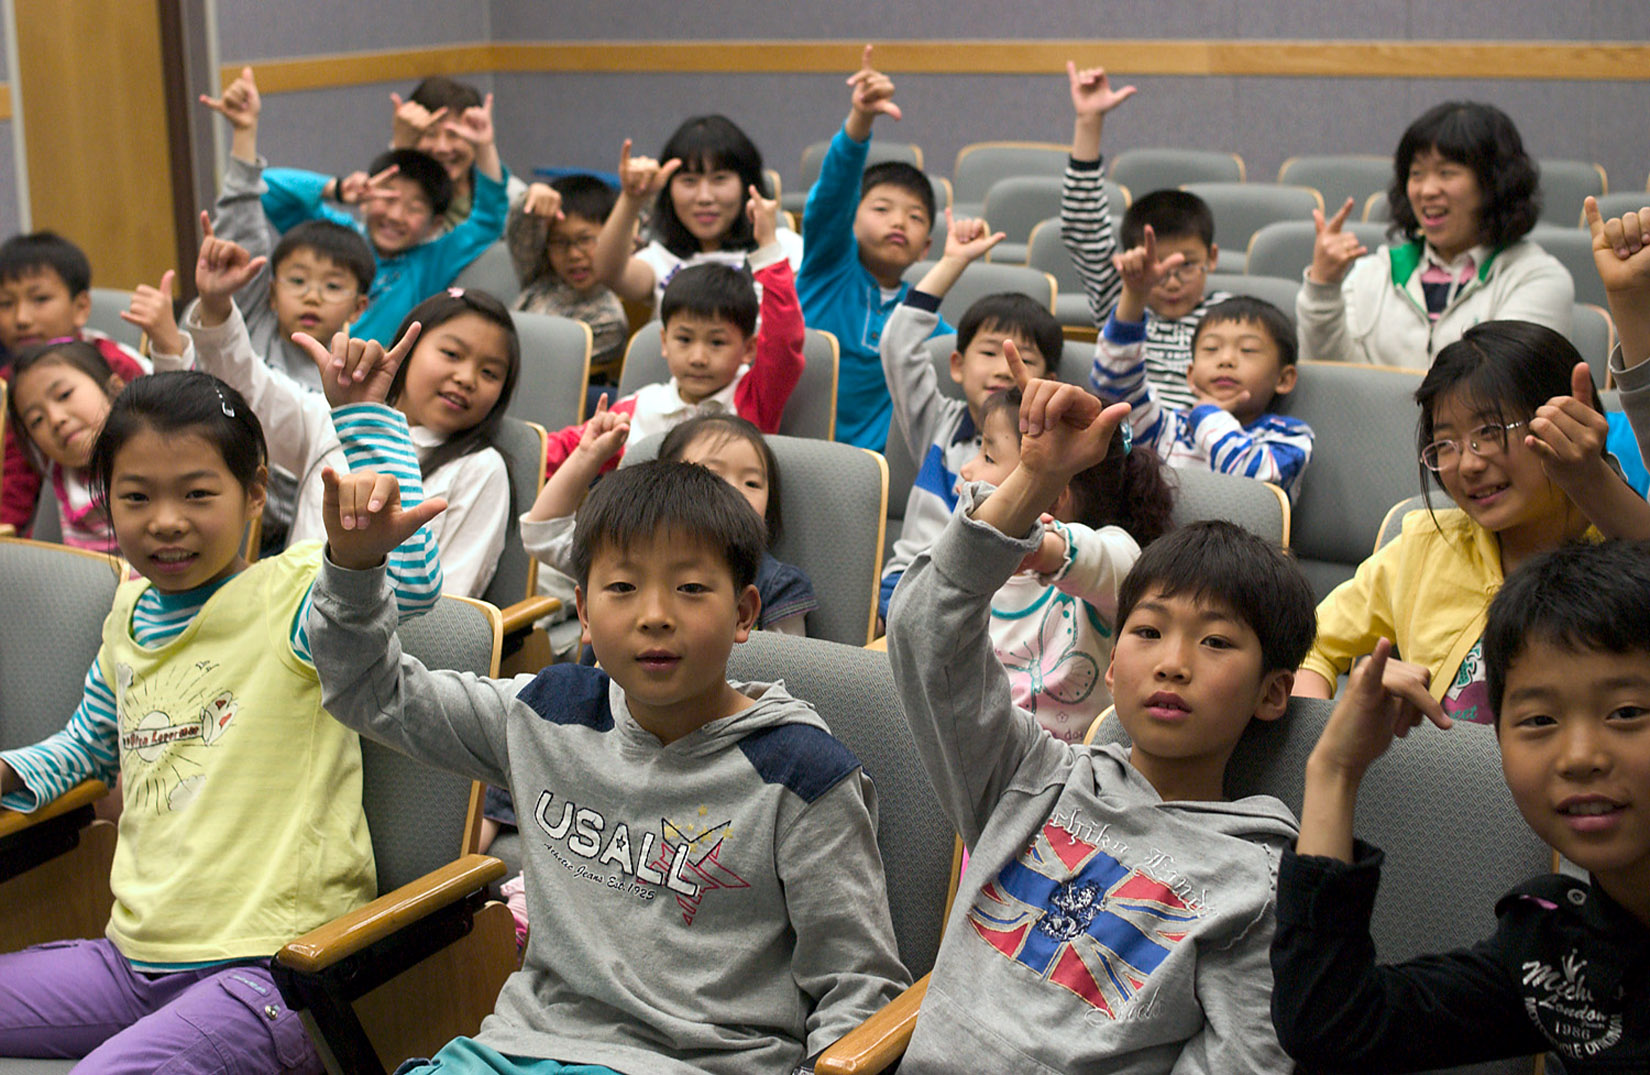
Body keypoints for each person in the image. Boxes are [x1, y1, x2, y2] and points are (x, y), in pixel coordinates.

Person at [306, 459, 909, 1074]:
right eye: (622, 588)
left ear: (745, 612)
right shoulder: (551, 713)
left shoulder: (800, 773)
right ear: (585, 612)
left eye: (691, 588)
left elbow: (857, 987)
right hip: (517, 1052)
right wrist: (353, 571)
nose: (654, 615)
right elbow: (370, 692)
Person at [0, 365, 444, 1071]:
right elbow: (88, 747)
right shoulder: (128, 614)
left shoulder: (296, 591)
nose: (166, 520)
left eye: (198, 494)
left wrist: (366, 417)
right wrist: (6, 770)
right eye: (136, 497)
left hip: (273, 970)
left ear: (255, 493)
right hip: (132, 963)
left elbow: (415, 580)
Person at [887, 347, 1317, 1071]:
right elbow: (925, 631)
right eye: (1147, 632)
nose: (1172, 661)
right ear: (1113, 664)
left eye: (1214, 642)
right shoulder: (1033, 779)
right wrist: (1038, 476)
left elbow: (1244, 1061)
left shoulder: (1254, 880)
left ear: (1272, 691)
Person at [1271, 539, 1650, 1071]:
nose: (1580, 757)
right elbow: (1332, 1023)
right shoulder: (1555, 955)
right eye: (1539, 721)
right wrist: (1334, 772)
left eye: (1628, 712)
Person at [1295, 320, 1650, 716]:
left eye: (1490, 430)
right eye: (1445, 443)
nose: (1467, 464)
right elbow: (1309, 646)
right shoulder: (1424, 546)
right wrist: (1333, 726)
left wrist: (1590, 478)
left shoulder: (1624, 546)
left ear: (1564, 419)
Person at [156, 221, 516, 597]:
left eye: (490, 372)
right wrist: (215, 306)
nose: (466, 377)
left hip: (373, 639)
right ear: (406, 351)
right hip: (280, 621)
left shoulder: (481, 468)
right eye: (451, 354)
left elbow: (453, 606)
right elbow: (248, 391)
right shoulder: (335, 419)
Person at [963, 378, 1175, 741]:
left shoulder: (1114, 560)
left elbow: (1109, 562)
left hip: (1062, 780)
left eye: (988, 456)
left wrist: (1041, 551)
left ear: (1053, 498)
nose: (967, 469)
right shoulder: (967, 556)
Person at [877, 211, 1058, 621]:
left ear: (1046, 381)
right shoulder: (937, 422)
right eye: (989, 352)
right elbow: (897, 345)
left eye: (1021, 359)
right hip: (910, 585)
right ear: (956, 365)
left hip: (997, 603)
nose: (1001, 367)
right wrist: (952, 262)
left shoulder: (1046, 451)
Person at [1298, 100, 1573, 368]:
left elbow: (1505, 389)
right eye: (1416, 173)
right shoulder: (1373, 274)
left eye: (1446, 172)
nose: (1427, 190)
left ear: (1495, 183)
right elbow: (1331, 379)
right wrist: (1324, 287)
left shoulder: (1536, 278)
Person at [542, 197, 804, 475]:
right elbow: (569, 450)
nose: (698, 358)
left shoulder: (755, 399)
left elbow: (783, 341)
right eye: (684, 339)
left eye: (717, 342)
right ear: (664, 342)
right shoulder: (640, 408)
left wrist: (767, 248)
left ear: (748, 349)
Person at [256, 92, 509, 344]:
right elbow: (265, 187)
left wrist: (484, 146)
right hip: (294, 366)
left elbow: (487, 219)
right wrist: (337, 189)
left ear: (435, 224)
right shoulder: (338, 235)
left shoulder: (429, 264)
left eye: (414, 208)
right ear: (366, 202)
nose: (396, 216)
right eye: (388, 199)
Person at [798, 45, 949, 451]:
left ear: (925, 248)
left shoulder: (924, 324)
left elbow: (964, 358)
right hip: (792, 451)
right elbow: (832, 194)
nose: (899, 222)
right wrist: (861, 118)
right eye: (882, 209)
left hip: (877, 472)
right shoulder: (825, 270)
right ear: (851, 220)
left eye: (915, 217)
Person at [1062, 62, 1230, 411]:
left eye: (1186, 266)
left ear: (1212, 257)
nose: (1170, 282)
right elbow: (1083, 226)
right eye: (1156, 268)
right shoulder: (1121, 302)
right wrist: (1088, 123)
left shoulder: (1228, 317)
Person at [199, 66, 377, 392]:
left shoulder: (354, 381)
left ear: (359, 307)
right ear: (271, 293)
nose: (312, 296)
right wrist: (244, 133)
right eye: (296, 281)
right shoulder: (251, 322)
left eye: (333, 287)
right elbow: (243, 230)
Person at [1093, 286, 1315, 502]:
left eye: (1248, 350)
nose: (1226, 359)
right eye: (1211, 348)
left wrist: (1207, 415)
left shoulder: (1290, 437)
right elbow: (1117, 388)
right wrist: (1133, 297)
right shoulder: (1169, 429)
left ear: (1284, 379)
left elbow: (1253, 486)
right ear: (1190, 375)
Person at [0, 230, 149, 531]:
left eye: (39, 299)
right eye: (5, 304)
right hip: (52, 527)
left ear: (81, 307)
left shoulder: (116, 364)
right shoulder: (7, 385)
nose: (21, 318)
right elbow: (17, 477)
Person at [591, 115, 803, 315]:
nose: (704, 197)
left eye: (719, 179)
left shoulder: (783, 248)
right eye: (689, 181)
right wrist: (632, 199)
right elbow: (607, 273)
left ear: (747, 184)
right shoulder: (661, 259)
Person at [5, 341, 130, 551]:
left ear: (114, 390)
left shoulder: (153, 452)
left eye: (64, 395)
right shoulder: (60, 485)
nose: (55, 419)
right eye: (36, 420)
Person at [505, 174, 630, 374]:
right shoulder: (541, 274)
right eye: (559, 242)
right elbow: (521, 231)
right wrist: (531, 198)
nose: (573, 254)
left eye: (586, 239)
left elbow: (545, 366)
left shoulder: (609, 320)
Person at [388, 75, 527, 231]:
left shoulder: (510, 195)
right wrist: (401, 149)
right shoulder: (392, 199)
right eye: (430, 134)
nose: (442, 148)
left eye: (454, 134)